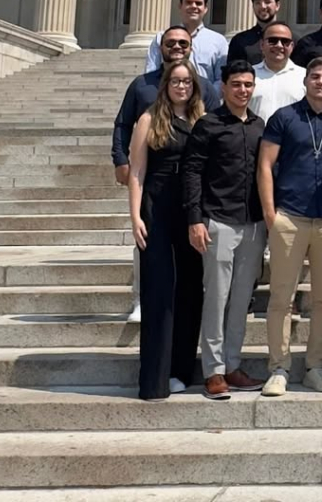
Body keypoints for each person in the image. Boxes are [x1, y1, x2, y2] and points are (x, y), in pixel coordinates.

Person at [257, 57, 322, 397]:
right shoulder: (284, 118)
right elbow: (266, 165)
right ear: (305, 81)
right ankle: (279, 368)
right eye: (315, 76)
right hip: (290, 216)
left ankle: (316, 366)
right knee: (281, 298)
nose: (321, 82)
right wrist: (271, 214)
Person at [112, 26, 221, 322]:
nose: (176, 47)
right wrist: (120, 158)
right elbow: (123, 125)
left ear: (191, 48)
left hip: (192, 189)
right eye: (170, 42)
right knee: (149, 250)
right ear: (160, 47)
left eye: (182, 43)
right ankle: (140, 299)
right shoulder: (142, 85)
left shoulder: (204, 89)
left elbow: (216, 130)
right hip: (156, 180)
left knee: (188, 263)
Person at [182, 60, 267, 400]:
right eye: (236, 84)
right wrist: (195, 219)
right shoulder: (208, 124)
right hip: (217, 220)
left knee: (241, 300)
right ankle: (214, 371)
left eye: (248, 84)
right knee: (216, 299)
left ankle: (233, 364)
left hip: (253, 223)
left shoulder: (260, 126)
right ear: (223, 86)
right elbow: (191, 173)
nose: (243, 90)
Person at [127, 62, 206, 400]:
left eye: (187, 81)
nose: (181, 86)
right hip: (157, 206)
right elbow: (136, 172)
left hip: (190, 209)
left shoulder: (202, 119)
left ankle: (182, 370)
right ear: (165, 84)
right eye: (175, 80)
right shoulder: (149, 119)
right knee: (158, 291)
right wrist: (135, 217)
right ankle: (155, 378)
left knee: (190, 289)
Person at [145, 0, 229, 85]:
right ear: (180, 6)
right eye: (188, 2)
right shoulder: (161, 38)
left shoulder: (218, 41)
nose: (193, 6)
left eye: (198, 3)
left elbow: (221, 78)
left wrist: (206, 97)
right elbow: (151, 72)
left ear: (205, 9)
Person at [249, 22, 305, 123]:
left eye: (285, 41)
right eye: (272, 41)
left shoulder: (304, 76)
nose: (279, 45)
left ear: (292, 46)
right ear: (262, 45)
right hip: (255, 137)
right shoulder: (248, 75)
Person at [226, 0, 281, 66]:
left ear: (277, 5)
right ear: (253, 6)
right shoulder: (240, 41)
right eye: (257, 3)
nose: (263, 6)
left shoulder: (291, 39)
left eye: (267, 2)